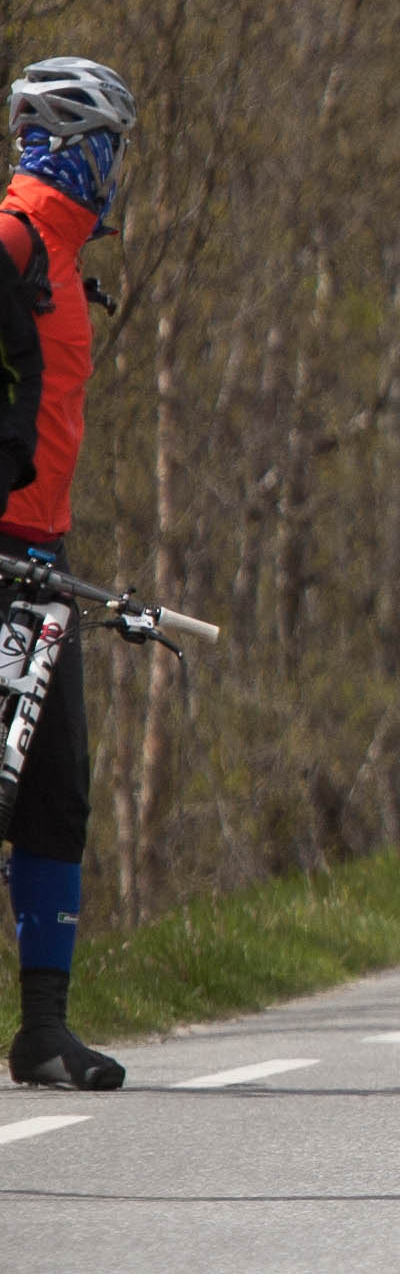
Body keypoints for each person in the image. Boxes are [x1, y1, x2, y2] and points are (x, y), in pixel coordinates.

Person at [0, 57, 131, 1090]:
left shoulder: (64, 252)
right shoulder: (8, 239)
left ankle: (44, 1027)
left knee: (58, 795)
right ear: (82, 145)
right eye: (114, 148)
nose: (119, 170)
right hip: (1, 555)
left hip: (48, 557)